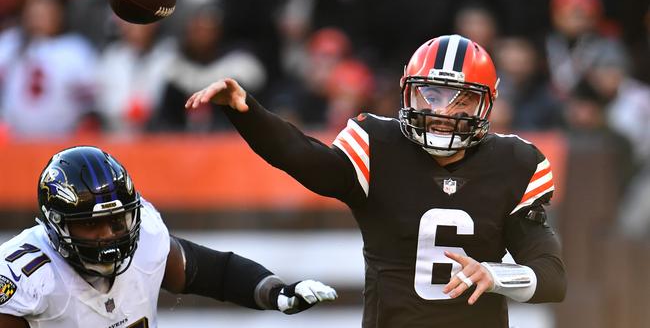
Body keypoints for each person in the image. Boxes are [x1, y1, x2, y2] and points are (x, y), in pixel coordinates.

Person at [186, 34, 567, 327]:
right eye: (429, 94)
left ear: (487, 104)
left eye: (461, 99)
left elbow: (552, 277)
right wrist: (247, 113)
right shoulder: (378, 145)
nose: (440, 112)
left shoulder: (515, 162)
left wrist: (495, 274)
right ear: (408, 92)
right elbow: (302, 157)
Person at [0, 146, 337, 327]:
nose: (108, 236)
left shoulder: (145, 236)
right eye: (90, 224)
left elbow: (214, 273)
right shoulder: (26, 278)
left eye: (116, 221)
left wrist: (275, 292)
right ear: (57, 224)